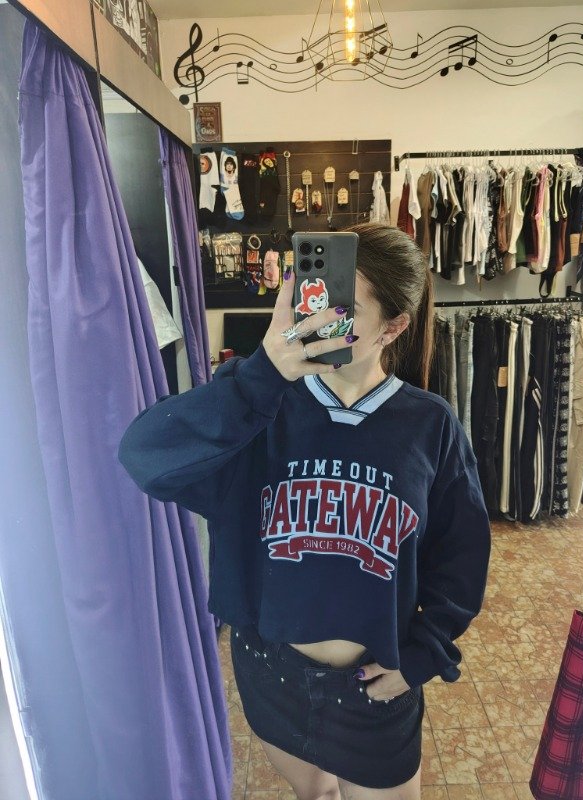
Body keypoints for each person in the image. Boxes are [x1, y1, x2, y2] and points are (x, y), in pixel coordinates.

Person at [119, 223, 491, 800]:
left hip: (374, 688)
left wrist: (423, 653)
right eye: (314, 301)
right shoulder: (257, 405)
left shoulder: (429, 425)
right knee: (314, 795)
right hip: (271, 675)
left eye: (344, 311)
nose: (319, 321)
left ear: (392, 327)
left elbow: (462, 556)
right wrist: (261, 376)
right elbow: (144, 456)